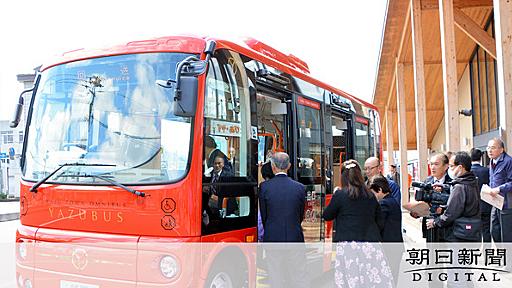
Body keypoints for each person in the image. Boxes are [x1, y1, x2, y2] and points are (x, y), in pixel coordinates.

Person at [323, 160, 392, 287]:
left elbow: (327, 215)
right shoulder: (370, 195)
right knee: (371, 281)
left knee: (351, 280)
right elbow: (380, 221)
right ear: (360, 175)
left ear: (343, 176)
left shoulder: (340, 195)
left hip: (348, 246)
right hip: (370, 244)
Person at [259, 152, 308, 287]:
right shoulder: (299, 187)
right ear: (289, 166)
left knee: (275, 276)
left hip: (273, 237)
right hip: (295, 236)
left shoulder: (264, 187)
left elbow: (264, 216)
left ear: (273, 166)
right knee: (298, 275)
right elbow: (300, 215)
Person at [426, 152, 481, 242]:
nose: (449, 169)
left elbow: (451, 213)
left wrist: (436, 222)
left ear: (460, 167)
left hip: (459, 234)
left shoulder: (459, 187)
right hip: (471, 232)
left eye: (451, 166)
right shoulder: (472, 182)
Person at [368, 175, 404, 285]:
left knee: (387, 278)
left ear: (379, 190)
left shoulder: (384, 203)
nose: (373, 197)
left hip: (388, 247)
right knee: (393, 277)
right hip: (396, 246)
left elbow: (378, 225)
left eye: (373, 193)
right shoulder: (393, 201)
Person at [411, 153, 451, 242]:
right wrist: (416, 212)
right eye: (431, 164)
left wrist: (442, 209)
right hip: (429, 228)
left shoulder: (452, 183)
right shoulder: (427, 182)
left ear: (446, 166)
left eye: (436, 164)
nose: (432, 167)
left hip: (446, 229)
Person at [486, 138, 512, 242]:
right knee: (494, 231)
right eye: (488, 148)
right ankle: (502, 254)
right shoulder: (492, 161)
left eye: (493, 148)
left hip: (506, 204)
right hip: (495, 202)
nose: (489, 150)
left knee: (506, 235)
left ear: (501, 150)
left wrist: (499, 189)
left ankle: (508, 256)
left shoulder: (508, 161)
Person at [470, 148, 491, 242]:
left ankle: (475, 252)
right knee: (486, 229)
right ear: (481, 157)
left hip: (472, 206)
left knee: (472, 230)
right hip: (486, 204)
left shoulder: (468, 172)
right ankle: (487, 252)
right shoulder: (487, 170)